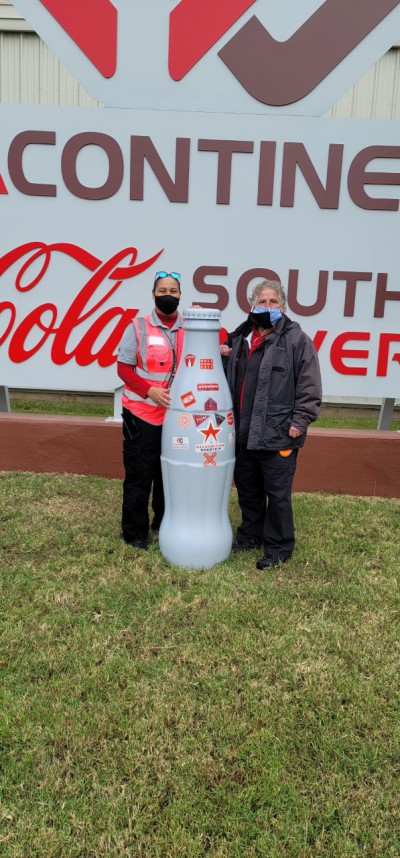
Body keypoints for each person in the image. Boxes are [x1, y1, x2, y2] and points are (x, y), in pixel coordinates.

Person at [222, 279, 322, 570]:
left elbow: (310, 385)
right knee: (248, 490)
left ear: (284, 306)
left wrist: (300, 421)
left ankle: (279, 547)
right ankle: (250, 536)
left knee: (277, 494)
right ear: (252, 305)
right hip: (243, 433)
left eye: (273, 301)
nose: (267, 306)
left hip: (279, 432)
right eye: (262, 301)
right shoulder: (239, 338)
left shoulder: (296, 339)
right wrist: (222, 353)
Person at [117, 271, 184, 549]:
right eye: (162, 290)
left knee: (167, 474)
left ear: (180, 295)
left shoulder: (188, 327)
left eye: (173, 290)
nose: (168, 295)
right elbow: (123, 368)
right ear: (153, 294)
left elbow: (219, 340)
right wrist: (149, 390)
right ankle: (134, 534)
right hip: (142, 414)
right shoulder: (138, 326)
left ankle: (162, 523)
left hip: (175, 419)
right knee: (140, 474)